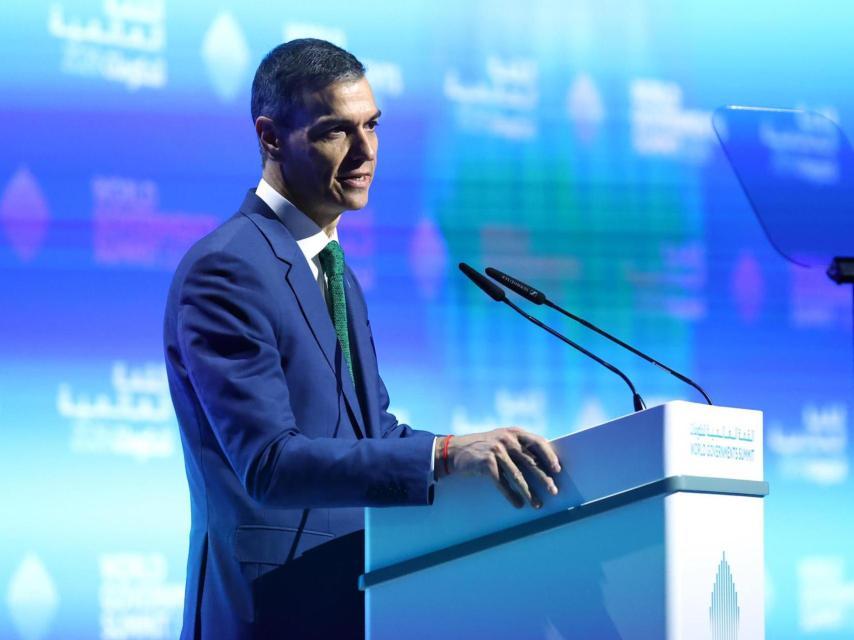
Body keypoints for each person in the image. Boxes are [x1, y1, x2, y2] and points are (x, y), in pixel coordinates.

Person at [163, 38, 562, 639]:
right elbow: (269, 464)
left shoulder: (335, 269)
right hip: (268, 612)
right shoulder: (228, 268)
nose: (365, 150)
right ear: (271, 138)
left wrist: (477, 451)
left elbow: (371, 433)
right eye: (336, 131)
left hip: (354, 604)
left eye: (372, 125)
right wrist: (446, 456)